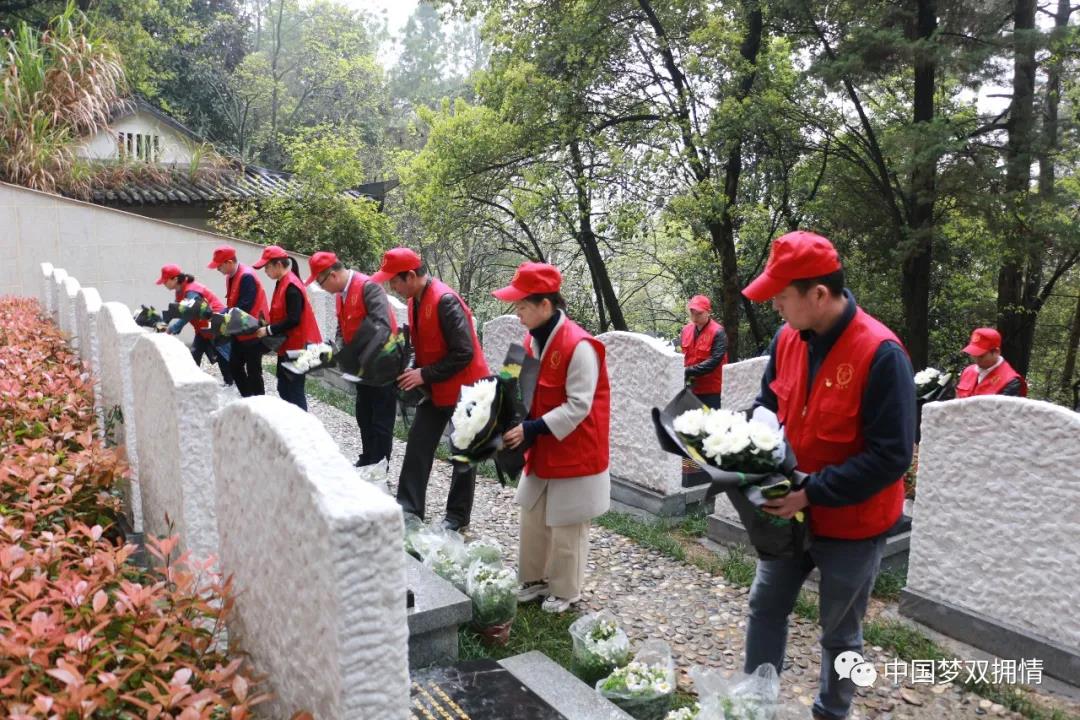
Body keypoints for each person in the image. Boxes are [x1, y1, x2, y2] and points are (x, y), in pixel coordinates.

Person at [740, 230, 915, 720]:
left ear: (818, 294)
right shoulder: (787, 339)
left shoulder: (881, 354)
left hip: (852, 526)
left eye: (782, 295)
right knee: (765, 607)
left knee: (841, 633)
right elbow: (769, 400)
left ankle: (832, 711)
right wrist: (748, 434)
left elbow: (892, 455)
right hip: (787, 514)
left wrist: (811, 493)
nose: (776, 305)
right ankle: (753, 707)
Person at [498, 262, 611, 615]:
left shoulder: (580, 346)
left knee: (567, 522)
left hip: (575, 448)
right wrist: (493, 407)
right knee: (533, 514)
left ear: (545, 305)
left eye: (522, 307)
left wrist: (530, 429)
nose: (517, 315)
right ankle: (534, 579)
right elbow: (508, 379)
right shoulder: (527, 341)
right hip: (543, 446)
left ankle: (565, 589)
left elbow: (579, 405)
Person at [370, 247, 489, 531]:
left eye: (394, 282)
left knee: (462, 453)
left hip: (467, 389)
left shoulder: (445, 300)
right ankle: (409, 510)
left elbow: (464, 353)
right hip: (437, 388)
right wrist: (411, 368)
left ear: (411, 276)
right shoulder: (414, 299)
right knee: (418, 445)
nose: (392, 287)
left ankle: (456, 518)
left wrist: (424, 374)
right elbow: (420, 346)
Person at [306, 251, 399, 472]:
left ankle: (379, 467)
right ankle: (368, 458)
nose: (322, 289)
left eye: (321, 283)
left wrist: (358, 353)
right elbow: (342, 327)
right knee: (364, 415)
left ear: (333, 275)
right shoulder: (341, 294)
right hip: (360, 365)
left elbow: (382, 326)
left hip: (381, 364)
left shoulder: (368, 287)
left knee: (380, 420)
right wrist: (341, 349)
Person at [251, 246, 321, 410]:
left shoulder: (291, 286)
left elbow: (294, 319)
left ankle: (303, 429)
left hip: (299, 347)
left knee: (294, 390)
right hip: (288, 346)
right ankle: (293, 424)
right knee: (284, 388)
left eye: (267, 267)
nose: (265, 271)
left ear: (278, 265)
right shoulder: (282, 282)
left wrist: (268, 330)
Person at [208, 245, 270, 397]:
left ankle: (260, 403)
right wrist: (221, 314)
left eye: (219, 266)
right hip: (240, 329)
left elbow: (245, 306)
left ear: (229, 262)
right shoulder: (231, 276)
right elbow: (233, 304)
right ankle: (248, 399)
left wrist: (223, 317)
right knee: (235, 366)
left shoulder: (246, 276)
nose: (218, 270)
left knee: (254, 371)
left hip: (253, 331)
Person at [156, 263, 233, 385]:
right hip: (202, 328)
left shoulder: (192, 291)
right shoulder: (180, 291)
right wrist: (161, 323)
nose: (164, 284)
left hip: (216, 325)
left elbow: (189, 313)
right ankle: (193, 384)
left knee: (223, 356)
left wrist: (173, 328)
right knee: (194, 354)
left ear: (175, 279)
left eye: (165, 281)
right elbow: (178, 311)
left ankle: (232, 385)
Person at [680, 294, 728, 408]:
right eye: (692, 313)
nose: (695, 318)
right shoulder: (685, 330)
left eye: (699, 313)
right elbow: (682, 356)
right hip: (691, 389)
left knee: (712, 423)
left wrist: (687, 371)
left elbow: (714, 362)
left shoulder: (718, 332)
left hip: (712, 390)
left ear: (708, 311)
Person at [955, 327, 1028, 398]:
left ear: (996, 352)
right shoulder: (968, 371)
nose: (976, 360)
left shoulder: (1010, 382)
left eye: (981, 356)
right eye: (973, 354)